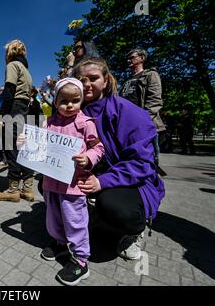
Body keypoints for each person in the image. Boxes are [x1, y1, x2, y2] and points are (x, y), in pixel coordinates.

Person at [70, 56, 165, 262]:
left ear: (105, 81)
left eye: (93, 78)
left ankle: (135, 229)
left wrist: (101, 182)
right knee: (48, 183)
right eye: (80, 79)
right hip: (92, 172)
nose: (86, 84)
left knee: (113, 205)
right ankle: (88, 216)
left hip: (133, 180)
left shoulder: (129, 111)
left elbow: (143, 164)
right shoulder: (72, 113)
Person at [34, 78, 105, 286]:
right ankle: (60, 242)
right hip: (50, 182)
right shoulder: (49, 123)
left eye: (75, 100)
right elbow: (38, 145)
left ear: (81, 100)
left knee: (75, 221)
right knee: (53, 218)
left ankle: (81, 260)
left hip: (73, 185)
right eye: (64, 101)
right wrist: (26, 141)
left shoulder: (85, 123)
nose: (69, 105)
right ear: (55, 102)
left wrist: (89, 158)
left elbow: (98, 147)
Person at [0, 39, 35, 202]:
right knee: (22, 147)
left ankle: (13, 190)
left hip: (13, 108)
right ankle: (28, 189)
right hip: (24, 109)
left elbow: (9, 91)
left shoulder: (12, 65)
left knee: (11, 148)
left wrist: (2, 116)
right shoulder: (27, 70)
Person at [119, 49, 166, 167]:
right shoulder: (127, 81)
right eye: (128, 57)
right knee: (130, 159)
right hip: (126, 125)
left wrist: (143, 120)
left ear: (142, 58)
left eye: (132, 57)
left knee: (148, 160)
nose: (128, 59)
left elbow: (155, 100)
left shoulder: (150, 74)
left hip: (144, 125)